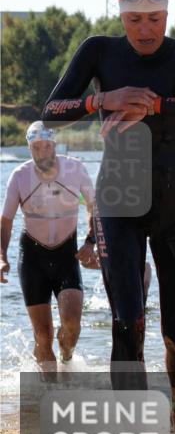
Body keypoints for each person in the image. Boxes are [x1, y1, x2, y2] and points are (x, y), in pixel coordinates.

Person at [40, 0, 175, 434]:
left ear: (167, 12)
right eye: (135, 20)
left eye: (155, 18)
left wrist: (157, 105)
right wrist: (103, 98)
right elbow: (52, 107)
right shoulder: (99, 51)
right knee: (127, 321)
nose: (145, 30)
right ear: (121, 15)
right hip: (119, 199)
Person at [1, 122, 95, 374]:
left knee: (72, 323)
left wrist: (91, 241)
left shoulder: (75, 170)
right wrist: (1, 257)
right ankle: (50, 393)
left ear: (54, 145)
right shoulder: (19, 176)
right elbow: (6, 220)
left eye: (46, 147)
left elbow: (94, 207)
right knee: (44, 336)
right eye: (35, 148)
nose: (41, 153)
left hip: (66, 254)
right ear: (30, 148)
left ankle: (67, 360)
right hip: (32, 257)